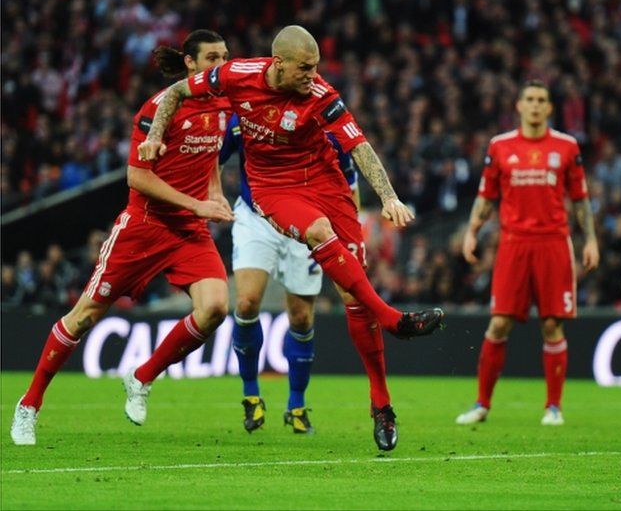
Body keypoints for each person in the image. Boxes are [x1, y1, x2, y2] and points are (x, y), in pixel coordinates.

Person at [137, 25, 445, 452]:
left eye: (317, 66)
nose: (313, 74)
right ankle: (393, 320)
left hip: (325, 183)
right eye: (305, 67)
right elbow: (175, 94)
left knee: (352, 298)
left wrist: (389, 196)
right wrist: (156, 136)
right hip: (273, 189)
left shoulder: (320, 94)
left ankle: (381, 404)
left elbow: (359, 147)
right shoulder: (236, 75)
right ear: (279, 63)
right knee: (279, 272)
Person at [10, 30, 235, 445]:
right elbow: (137, 177)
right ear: (189, 63)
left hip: (188, 230)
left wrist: (215, 191)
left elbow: (210, 154)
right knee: (83, 317)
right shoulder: (158, 109)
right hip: (145, 226)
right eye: (211, 59)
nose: (220, 67)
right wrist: (197, 204)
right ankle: (29, 404)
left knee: (216, 307)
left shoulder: (223, 103)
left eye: (224, 57)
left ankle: (141, 376)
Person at [455, 80, 600, 427]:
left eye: (541, 101)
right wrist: (471, 232)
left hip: (553, 243)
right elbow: (486, 196)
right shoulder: (500, 146)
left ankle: (553, 407)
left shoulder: (566, 146)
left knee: (551, 324)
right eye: (530, 99)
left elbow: (580, 198)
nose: (535, 105)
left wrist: (591, 239)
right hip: (513, 243)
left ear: (549, 108)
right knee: (499, 322)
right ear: (519, 106)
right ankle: (482, 404)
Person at [219, 114, 358, 434]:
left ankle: (296, 404)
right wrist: (213, 195)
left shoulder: (324, 122)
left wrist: (352, 236)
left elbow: (349, 185)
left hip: (307, 221)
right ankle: (251, 395)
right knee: (246, 303)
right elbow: (216, 156)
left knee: (301, 317)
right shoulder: (248, 114)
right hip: (256, 217)